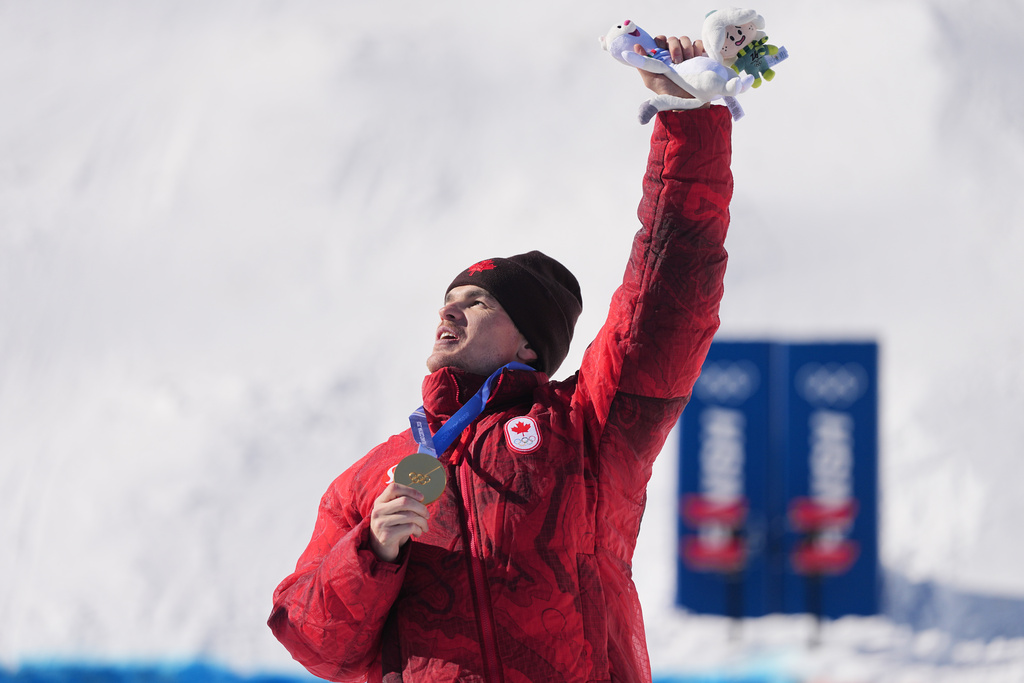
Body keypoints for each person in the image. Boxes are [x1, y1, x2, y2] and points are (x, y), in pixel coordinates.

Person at [269, 34, 734, 683]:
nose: (449, 310)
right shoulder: (375, 477)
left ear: (527, 345)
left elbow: (667, 299)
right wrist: (371, 550)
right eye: (448, 297)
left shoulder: (583, 431)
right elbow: (315, 642)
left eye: (479, 301)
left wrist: (688, 128)